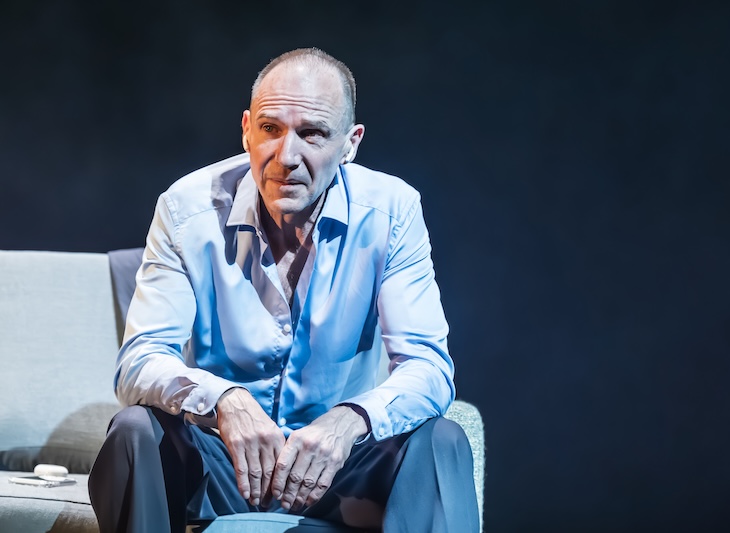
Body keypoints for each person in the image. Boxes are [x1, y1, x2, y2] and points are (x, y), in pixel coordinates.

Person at [88, 47, 479, 533]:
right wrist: (225, 401)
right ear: (247, 130)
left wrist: (349, 420)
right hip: (223, 467)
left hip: (340, 471)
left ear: (351, 143)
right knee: (134, 431)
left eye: (312, 134)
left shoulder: (392, 212)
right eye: (270, 129)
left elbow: (429, 368)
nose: (287, 157)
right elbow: (139, 361)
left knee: (443, 442)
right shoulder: (186, 209)